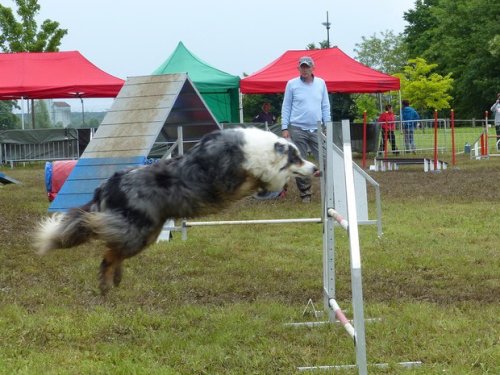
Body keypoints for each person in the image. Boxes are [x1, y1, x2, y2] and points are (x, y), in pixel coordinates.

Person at [281, 56, 331, 203]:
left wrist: (327, 124)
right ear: (298, 68)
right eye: (302, 67)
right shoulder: (291, 84)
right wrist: (284, 127)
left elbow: (325, 106)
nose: (305, 69)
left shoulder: (321, 83)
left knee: (326, 159)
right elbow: (286, 106)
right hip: (297, 128)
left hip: (317, 128)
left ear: (312, 68)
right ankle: (305, 194)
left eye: (307, 67)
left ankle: (330, 190)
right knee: (299, 162)